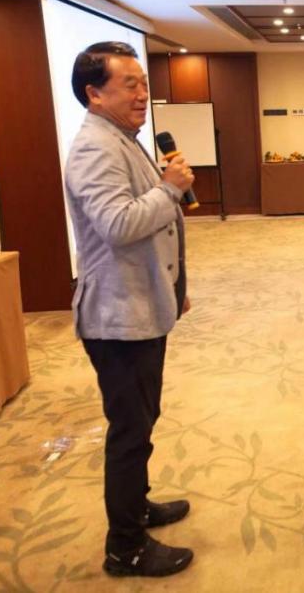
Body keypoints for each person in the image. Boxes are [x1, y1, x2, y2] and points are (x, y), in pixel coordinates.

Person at [64, 42, 194, 577]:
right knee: (128, 432)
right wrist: (170, 189)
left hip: (141, 303)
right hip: (117, 318)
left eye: (143, 83)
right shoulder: (95, 147)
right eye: (129, 84)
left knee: (143, 420)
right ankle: (125, 547)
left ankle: (136, 507)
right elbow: (118, 225)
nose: (142, 94)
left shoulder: (122, 136)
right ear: (95, 94)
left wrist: (175, 286)